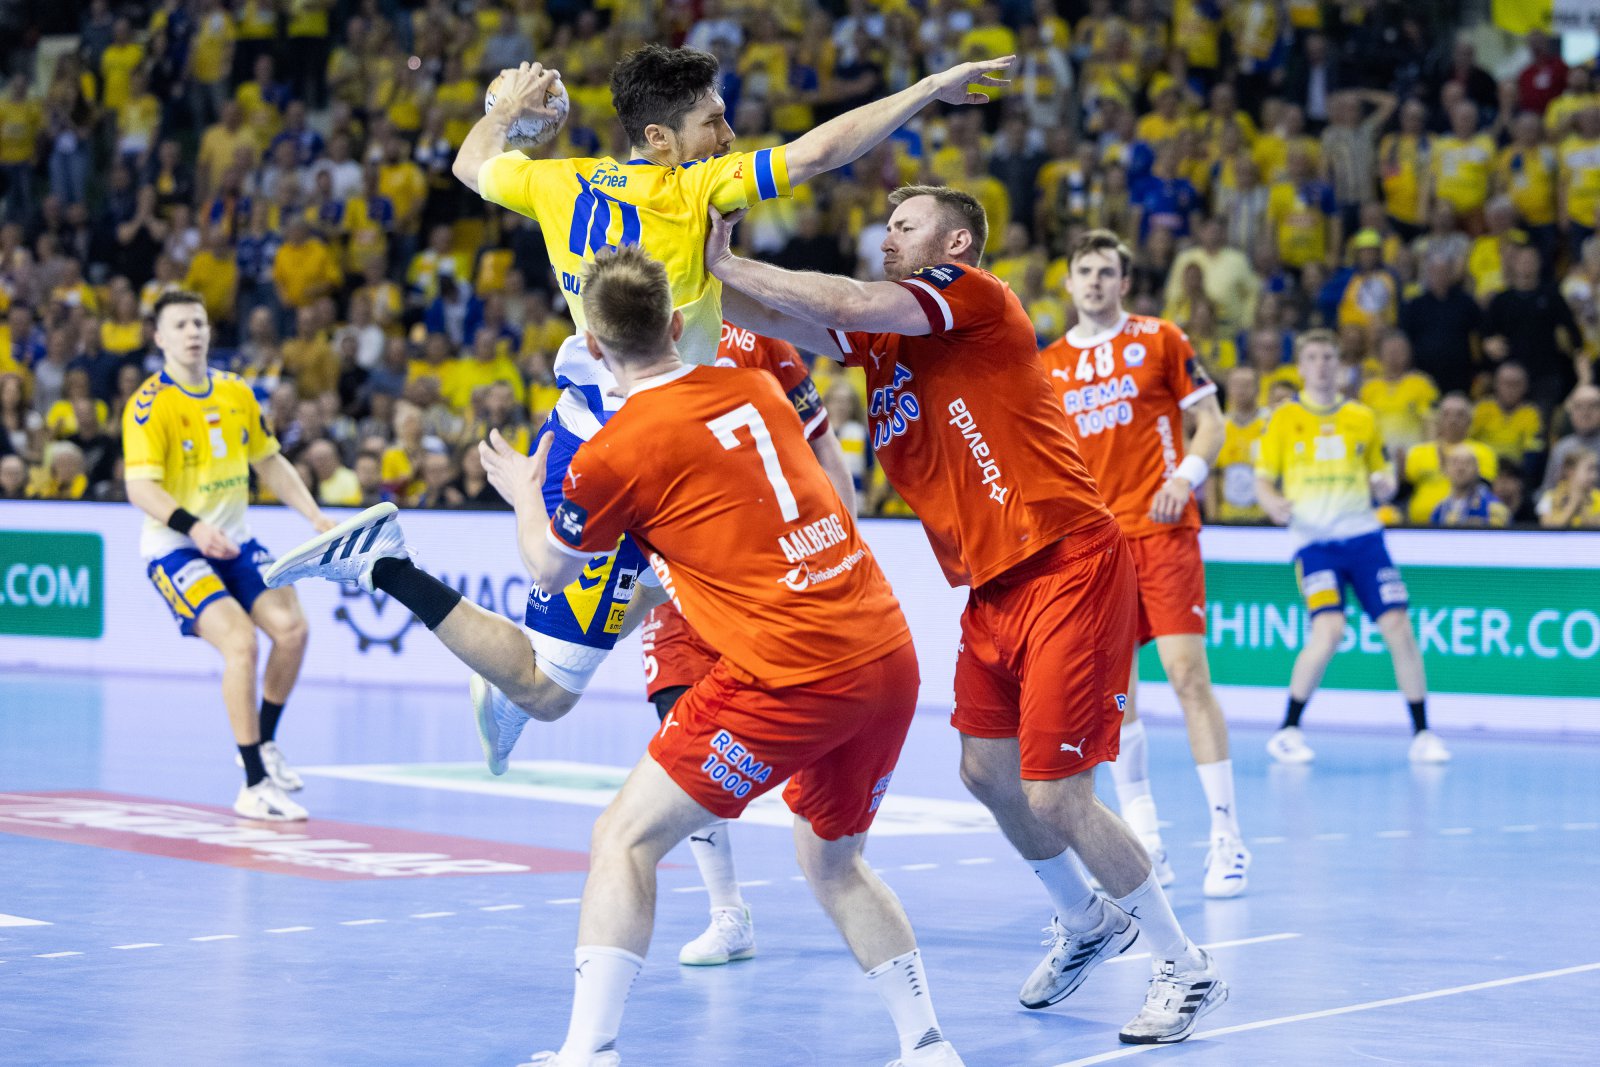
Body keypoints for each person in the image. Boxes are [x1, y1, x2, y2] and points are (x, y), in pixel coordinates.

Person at [270, 248, 965, 1067]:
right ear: (679, 323)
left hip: (788, 670)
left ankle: (588, 1051)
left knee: (621, 836)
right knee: (834, 861)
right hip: (884, 651)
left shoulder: (616, 449)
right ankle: (927, 1044)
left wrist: (524, 492)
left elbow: (547, 565)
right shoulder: (756, 387)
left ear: (593, 348)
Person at [707, 185, 1226, 1045]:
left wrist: (726, 257)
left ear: (954, 242)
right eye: (885, 225)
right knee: (986, 773)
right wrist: (688, 268)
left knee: (1056, 793)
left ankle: (1185, 963)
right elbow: (770, 314)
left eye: (903, 226)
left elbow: (841, 299)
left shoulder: (971, 294)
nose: (886, 237)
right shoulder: (884, 340)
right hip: (992, 585)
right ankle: (1086, 920)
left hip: (1066, 560)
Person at [431, 45, 1011, 746]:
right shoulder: (695, 188)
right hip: (618, 444)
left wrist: (505, 111)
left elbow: (470, 164)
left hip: (658, 430)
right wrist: (927, 87)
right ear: (658, 138)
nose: (728, 136)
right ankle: (405, 580)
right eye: (712, 122)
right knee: (548, 687)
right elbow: (818, 153)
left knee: (718, 570)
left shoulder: (557, 181)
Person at [636, 318, 855, 967]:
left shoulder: (757, 340)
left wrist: (847, 542)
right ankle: (727, 912)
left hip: (771, 565)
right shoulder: (634, 339)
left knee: (818, 730)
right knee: (679, 722)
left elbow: (822, 444)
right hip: (682, 567)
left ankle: (847, 881)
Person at [1038, 229, 1249, 900]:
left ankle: (1227, 837)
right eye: (1084, 270)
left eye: (1106, 271)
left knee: (1187, 675)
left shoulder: (1162, 339)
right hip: (1096, 546)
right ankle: (1147, 837)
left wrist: (1185, 477)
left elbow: (1211, 420)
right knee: (1117, 696)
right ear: (1069, 283)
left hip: (1162, 529)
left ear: (1123, 282)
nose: (1095, 281)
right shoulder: (1048, 365)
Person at [122, 291, 336, 820]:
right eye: (180, 325)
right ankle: (254, 784)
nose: (193, 332)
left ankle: (263, 742)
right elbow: (139, 488)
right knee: (241, 642)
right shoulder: (149, 405)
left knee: (292, 631)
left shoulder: (237, 391)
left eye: (199, 322)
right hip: (175, 547)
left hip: (234, 541)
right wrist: (193, 528)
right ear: (160, 338)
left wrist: (314, 517)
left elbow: (270, 461)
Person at [1254, 329, 1451, 766]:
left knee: (1398, 625)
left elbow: (1383, 473)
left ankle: (1423, 733)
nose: (1321, 365)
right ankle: (1287, 730)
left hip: (1364, 538)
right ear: (1301, 367)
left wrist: (1385, 483)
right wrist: (1271, 502)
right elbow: (1263, 478)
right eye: (1313, 357)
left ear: (1339, 365)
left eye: (1328, 357)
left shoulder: (1361, 416)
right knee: (1330, 630)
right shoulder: (1284, 418)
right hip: (1314, 543)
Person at [1430, 447, 1510, 528]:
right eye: (1455, 462)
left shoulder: (1492, 507)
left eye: (1467, 463)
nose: (1460, 468)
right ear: (1445, 470)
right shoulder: (1440, 510)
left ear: (1478, 470)